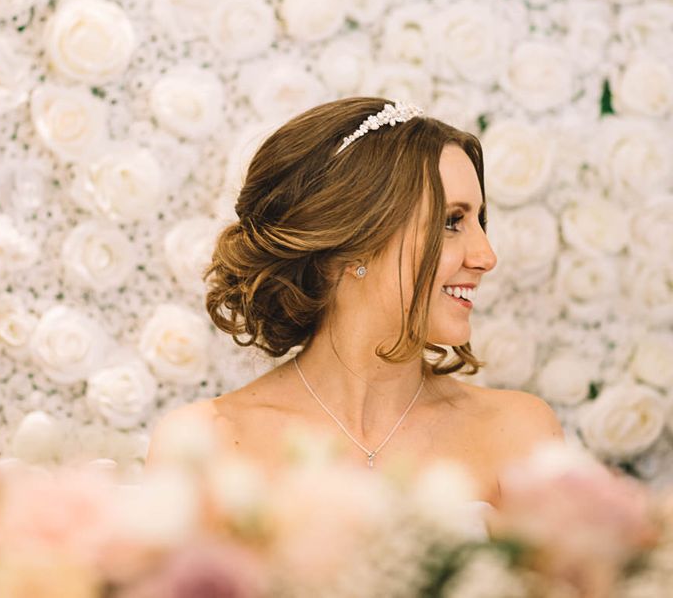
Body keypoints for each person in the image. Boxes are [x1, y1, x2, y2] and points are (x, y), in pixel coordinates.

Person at [147, 97, 563, 505]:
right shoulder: (206, 444)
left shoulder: (520, 434)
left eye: (479, 220)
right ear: (351, 247)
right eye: (451, 222)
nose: (487, 257)